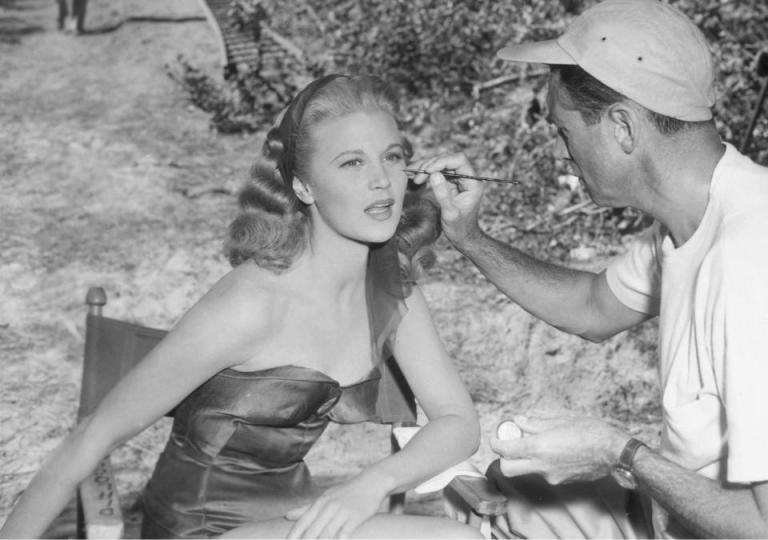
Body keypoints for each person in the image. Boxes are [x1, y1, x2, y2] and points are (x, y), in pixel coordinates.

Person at [410, 0, 768, 538]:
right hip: (680, 515)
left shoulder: (754, 265)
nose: (563, 153)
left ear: (623, 129)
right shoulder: (707, 213)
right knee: (479, 497)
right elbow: (591, 308)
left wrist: (620, 452)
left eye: (564, 132)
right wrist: (470, 237)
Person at [0, 74, 481, 539]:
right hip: (202, 526)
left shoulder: (392, 292)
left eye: (392, 157)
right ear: (304, 187)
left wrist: (369, 484)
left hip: (291, 519)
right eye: (351, 163)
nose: (380, 181)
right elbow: (91, 438)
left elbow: (458, 425)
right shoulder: (251, 304)